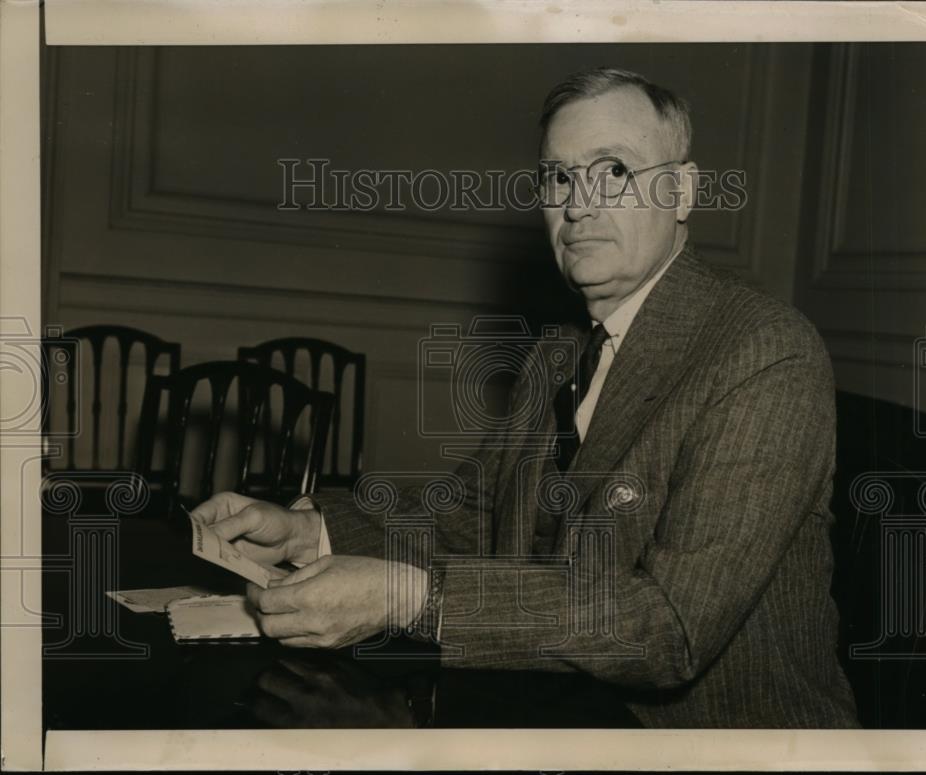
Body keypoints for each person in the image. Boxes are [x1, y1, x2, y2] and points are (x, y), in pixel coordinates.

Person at [193, 67, 859, 728]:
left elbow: (668, 628)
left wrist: (407, 598)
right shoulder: (560, 351)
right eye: (559, 176)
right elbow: (474, 515)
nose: (577, 204)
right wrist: (312, 529)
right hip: (565, 718)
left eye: (614, 171)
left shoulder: (764, 350)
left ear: (682, 190)